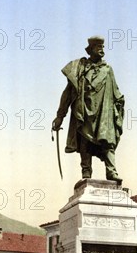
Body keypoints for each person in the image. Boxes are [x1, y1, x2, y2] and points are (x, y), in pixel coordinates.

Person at [52, 36, 125, 183]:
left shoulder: (108, 70)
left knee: (107, 141)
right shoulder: (79, 69)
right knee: (84, 141)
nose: (101, 49)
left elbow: (116, 92)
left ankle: (111, 171)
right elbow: (67, 93)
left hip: (103, 113)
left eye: (103, 47)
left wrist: (118, 106)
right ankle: (86, 171)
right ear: (91, 49)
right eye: (98, 47)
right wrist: (60, 116)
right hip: (84, 112)